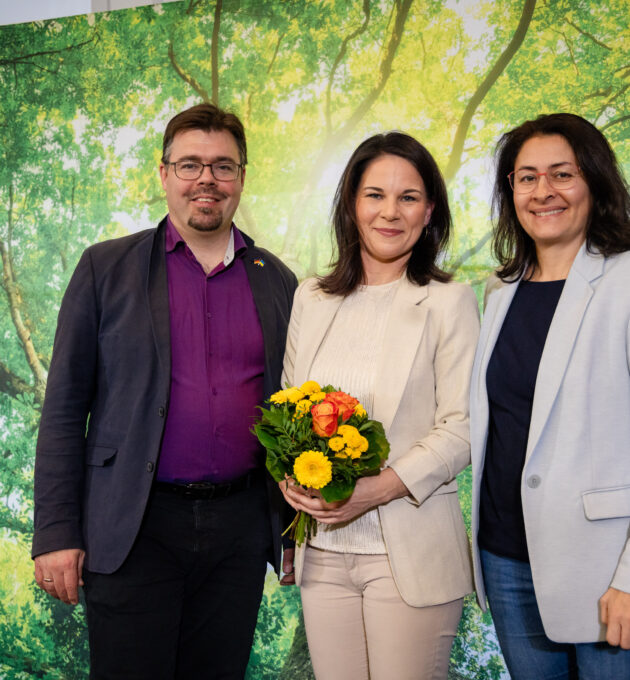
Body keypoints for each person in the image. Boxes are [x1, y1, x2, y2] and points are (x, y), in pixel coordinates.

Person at [31, 102, 297, 679]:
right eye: (190, 164)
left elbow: (293, 416)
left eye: (223, 166)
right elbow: (63, 410)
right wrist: (55, 532)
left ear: (242, 179)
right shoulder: (106, 268)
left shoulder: (277, 281)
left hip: (239, 532)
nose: (207, 179)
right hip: (133, 526)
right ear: (164, 175)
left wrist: (291, 527)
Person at [279, 132, 480, 680]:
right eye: (375, 195)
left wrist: (376, 489)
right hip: (323, 554)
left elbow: (462, 427)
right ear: (351, 203)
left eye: (408, 197)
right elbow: (288, 416)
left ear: (429, 210)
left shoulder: (449, 300)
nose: (390, 212)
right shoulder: (312, 297)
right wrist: (290, 484)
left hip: (409, 554)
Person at [469, 113, 630, 679]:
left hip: (604, 566)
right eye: (526, 177)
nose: (544, 192)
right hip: (506, 557)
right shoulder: (499, 291)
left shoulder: (625, 282)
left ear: (595, 181)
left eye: (562, 174)